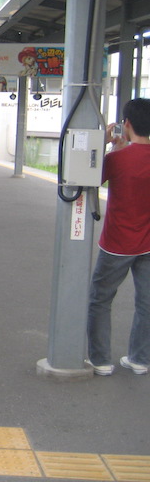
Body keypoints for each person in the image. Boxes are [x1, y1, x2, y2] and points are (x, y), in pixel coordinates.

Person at [87, 98, 150, 376]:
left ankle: (100, 361)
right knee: (146, 302)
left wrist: (107, 146)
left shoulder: (117, 159)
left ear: (126, 125)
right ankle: (139, 359)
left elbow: (88, 178)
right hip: (148, 244)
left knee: (101, 300)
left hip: (116, 243)